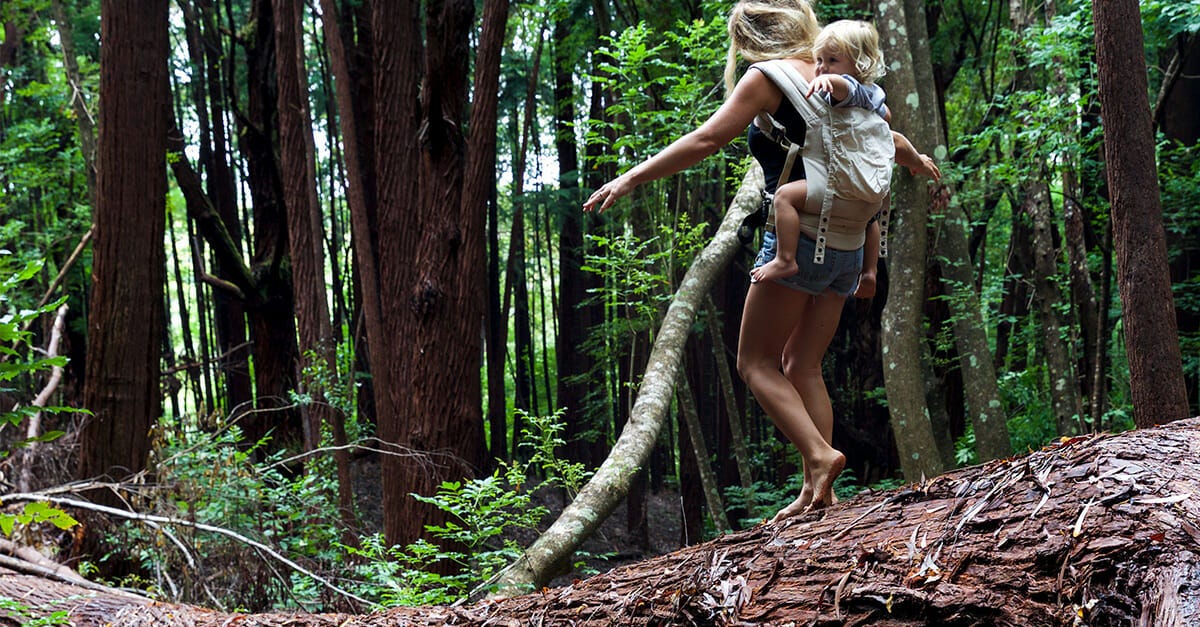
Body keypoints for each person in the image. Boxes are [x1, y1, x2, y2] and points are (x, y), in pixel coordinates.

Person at [583, 0, 940, 521]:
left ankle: (820, 456)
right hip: (848, 248)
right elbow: (889, 139)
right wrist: (921, 163)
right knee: (805, 365)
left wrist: (631, 176)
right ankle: (819, 489)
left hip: (800, 244)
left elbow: (706, 139)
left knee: (755, 364)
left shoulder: (766, 78)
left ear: (748, 39)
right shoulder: (846, 80)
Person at [750, 19, 890, 288]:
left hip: (835, 182)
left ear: (860, 63)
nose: (822, 67)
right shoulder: (874, 95)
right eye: (819, 60)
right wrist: (916, 159)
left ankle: (785, 258)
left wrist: (828, 80)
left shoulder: (848, 88)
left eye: (832, 60)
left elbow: (843, 87)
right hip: (863, 185)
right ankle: (870, 271)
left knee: (785, 197)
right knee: (870, 216)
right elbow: (888, 126)